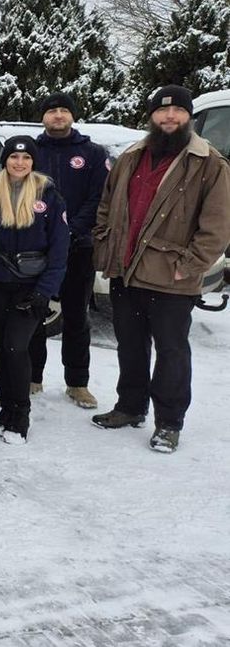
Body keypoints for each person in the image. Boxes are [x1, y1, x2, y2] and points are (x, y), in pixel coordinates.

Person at [91, 85, 230, 453]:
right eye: (162, 111)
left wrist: (189, 267)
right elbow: (107, 205)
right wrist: (105, 245)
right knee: (130, 347)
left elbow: (217, 227)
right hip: (126, 272)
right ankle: (130, 407)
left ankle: (169, 423)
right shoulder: (131, 157)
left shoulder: (209, 163)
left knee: (171, 352)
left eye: (178, 111)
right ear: (151, 116)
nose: (170, 117)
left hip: (172, 278)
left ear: (189, 116)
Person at [0, 136, 69, 445]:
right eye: (14, 157)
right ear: (5, 160)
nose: (19, 163)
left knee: (16, 347)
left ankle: (21, 414)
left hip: (31, 284)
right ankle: (6, 412)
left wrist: (46, 291)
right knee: (1, 347)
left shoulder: (49, 194)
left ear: (33, 161)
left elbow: (60, 248)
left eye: (26, 157)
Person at [30, 92, 109, 408]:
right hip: (37, 249)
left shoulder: (92, 153)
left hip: (78, 248)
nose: (58, 115)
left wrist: (69, 230)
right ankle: (31, 377)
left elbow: (99, 198)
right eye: (52, 111)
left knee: (76, 317)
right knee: (34, 315)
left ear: (73, 116)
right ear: (43, 117)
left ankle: (77, 383)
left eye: (64, 110)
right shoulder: (31, 151)